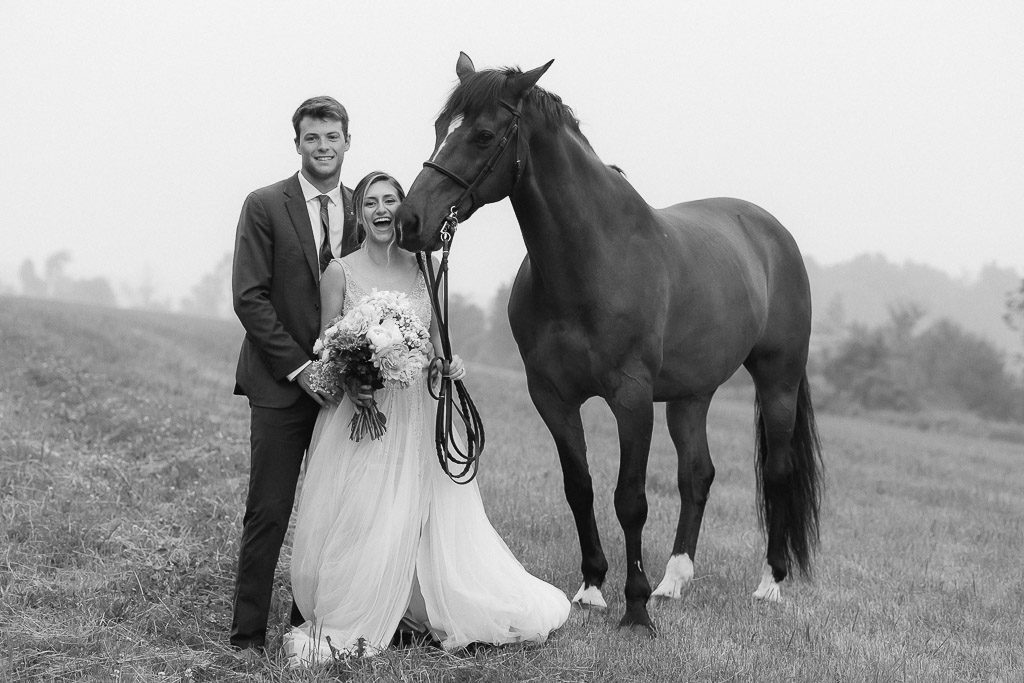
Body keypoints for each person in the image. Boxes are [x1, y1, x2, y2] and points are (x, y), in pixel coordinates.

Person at [283, 171, 571, 665]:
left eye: (389, 200)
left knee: (423, 511)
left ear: (402, 209)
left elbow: (439, 341)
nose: (380, 210)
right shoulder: (340, 273)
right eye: (370, 202)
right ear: (359, 214)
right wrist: (356, 377)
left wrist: (449, 363)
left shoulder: (426, 265)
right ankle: (363, 604)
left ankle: (420, 608)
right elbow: (326, 348)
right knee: (366, 511)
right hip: (365, 413)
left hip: (420, 407)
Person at [229, 96, 359, 651]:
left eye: (332, 137)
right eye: (313, 138)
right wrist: (302, 369)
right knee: (270, 510)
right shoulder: (264, 204)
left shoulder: (365, 208)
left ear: (347, 141)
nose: (323, 147)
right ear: (298, 144)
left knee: (335, 515)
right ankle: (248, 635)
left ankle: (311, 627)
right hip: (281, 385)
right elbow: (249, 298)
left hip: (348, 393)